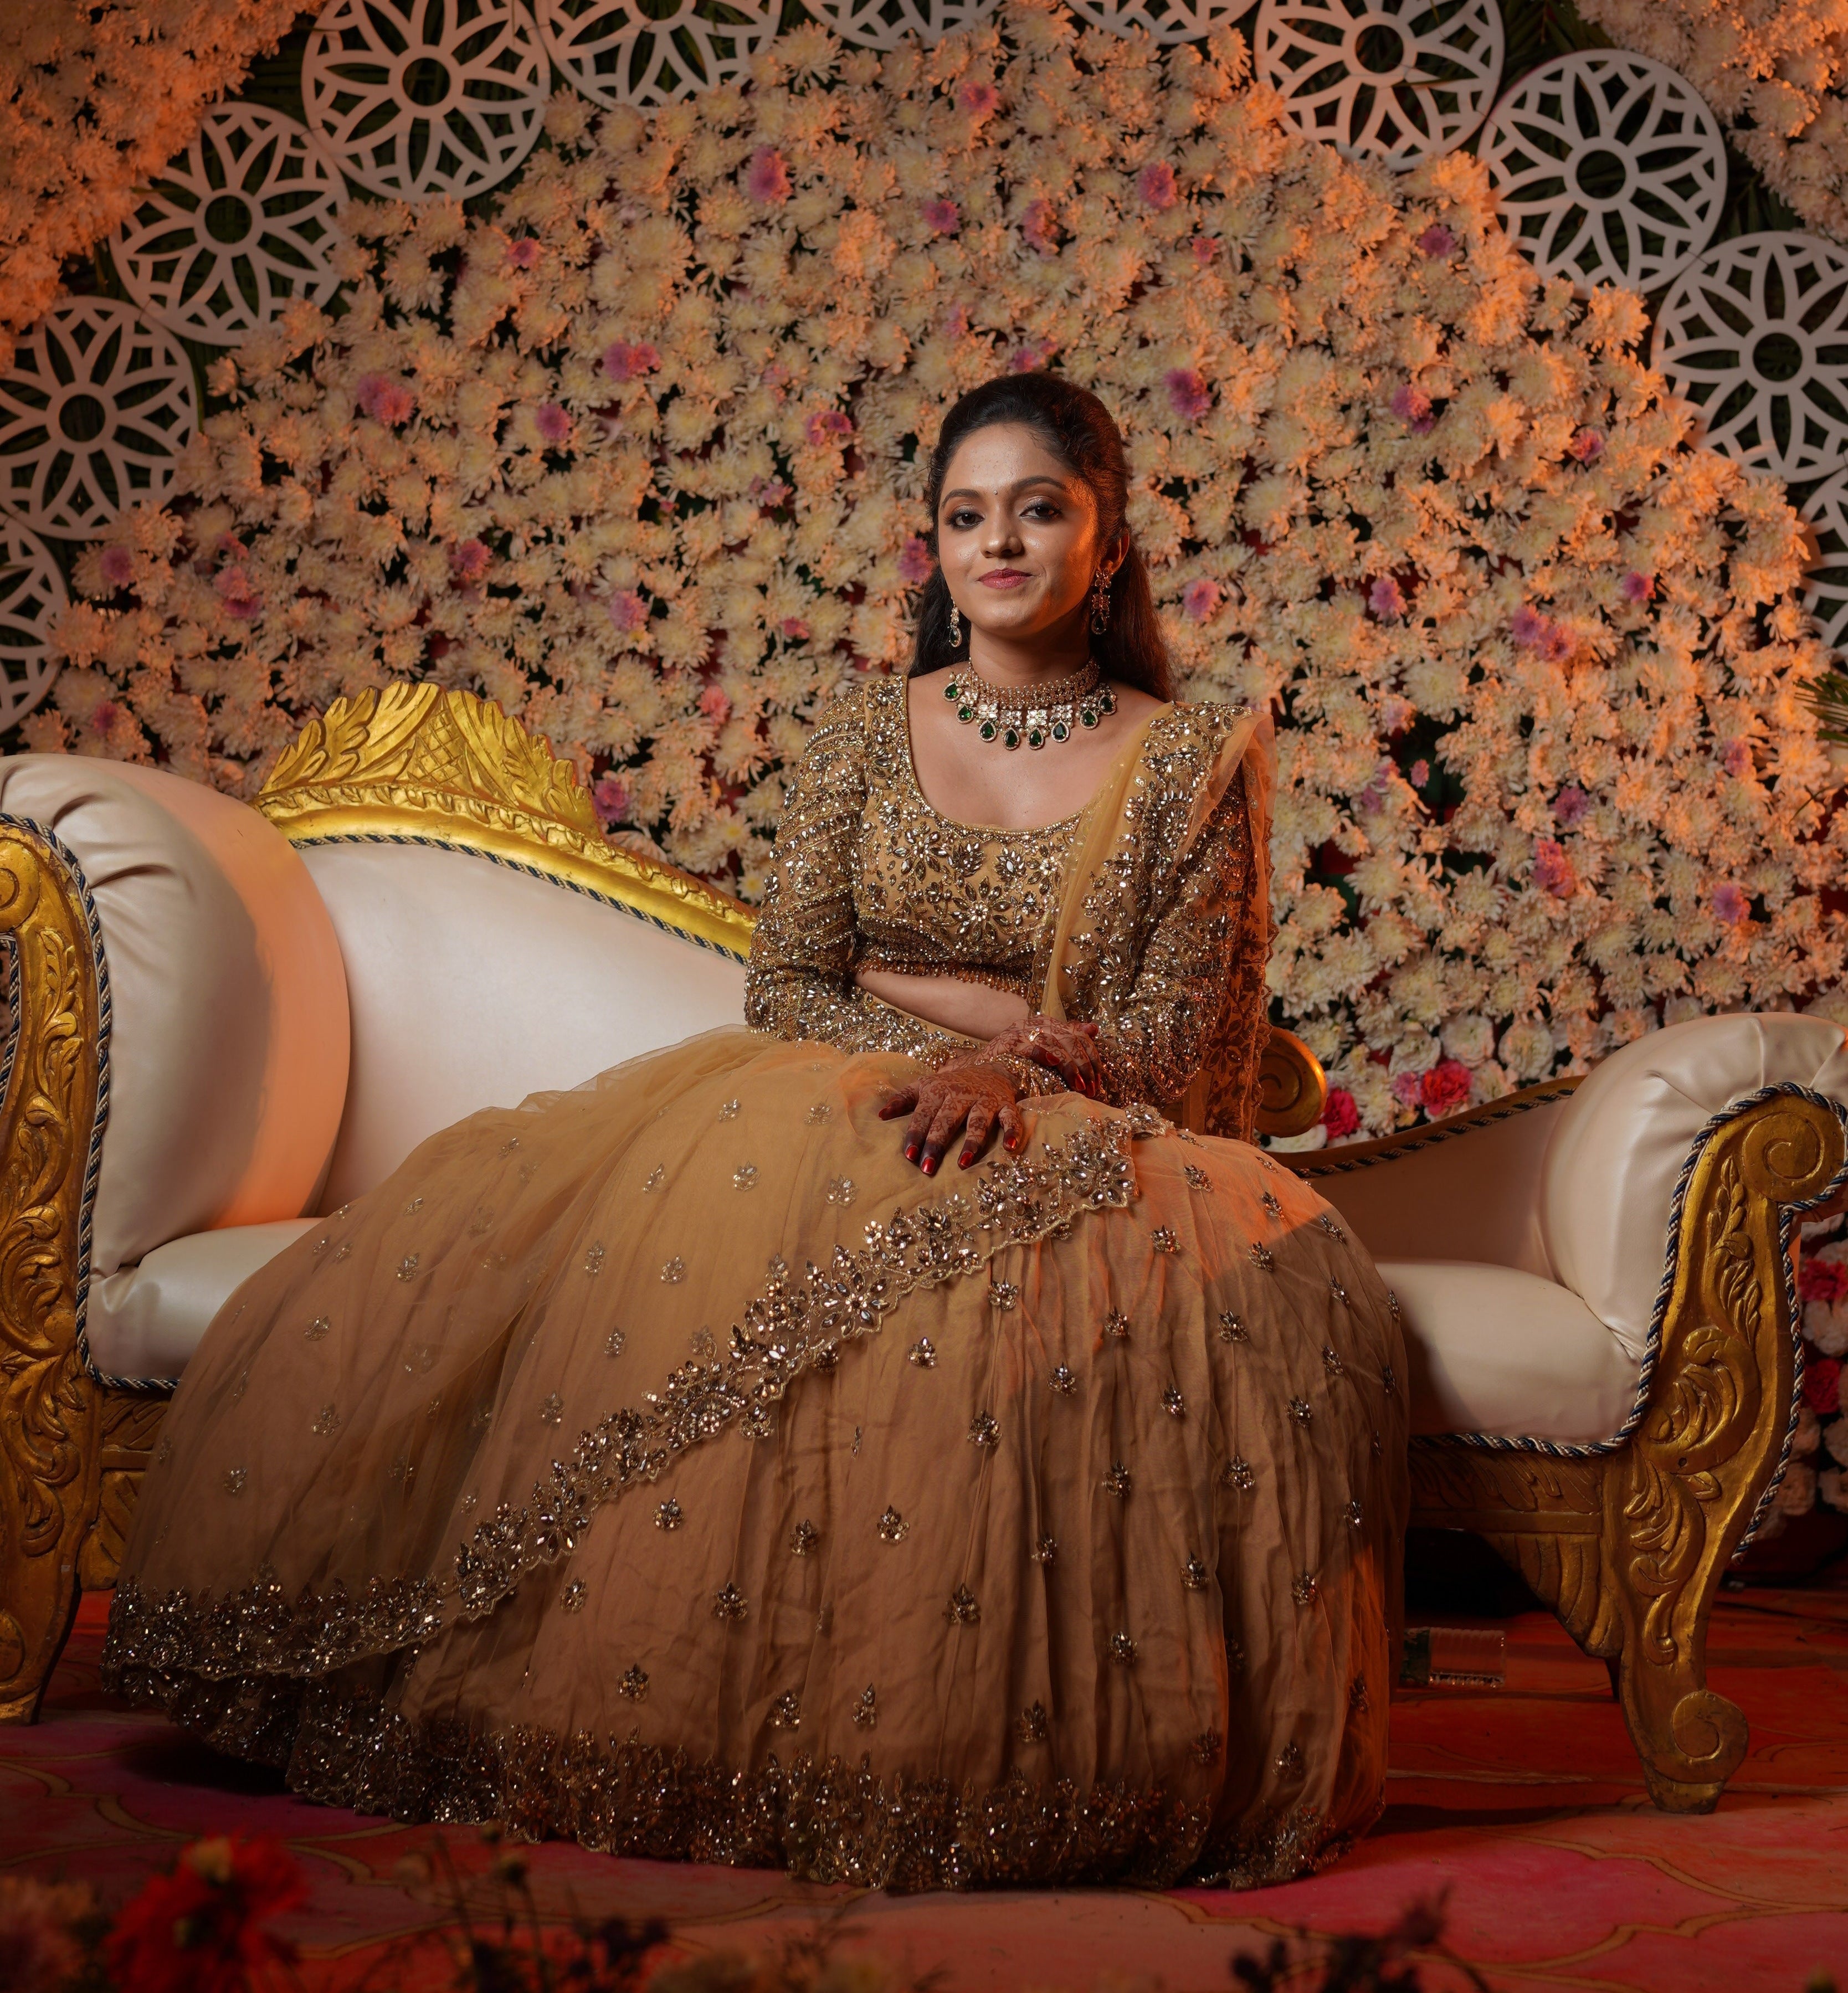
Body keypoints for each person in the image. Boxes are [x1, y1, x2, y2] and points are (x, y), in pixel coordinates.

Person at [104, 373, 1408, 1891]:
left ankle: (960, 1763)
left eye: (1039, 509)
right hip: (838, 1106)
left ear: (1104, 543)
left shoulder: (1186, 764)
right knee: (777, 1221)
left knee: (1045, 1301)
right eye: (966, 515)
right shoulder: (866, 733)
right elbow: (790, 983)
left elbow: (1185, 1058)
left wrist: (1013, 1065)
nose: (1001, 543)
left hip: (1105, 1145)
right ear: (934, 545)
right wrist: (962, 1046)